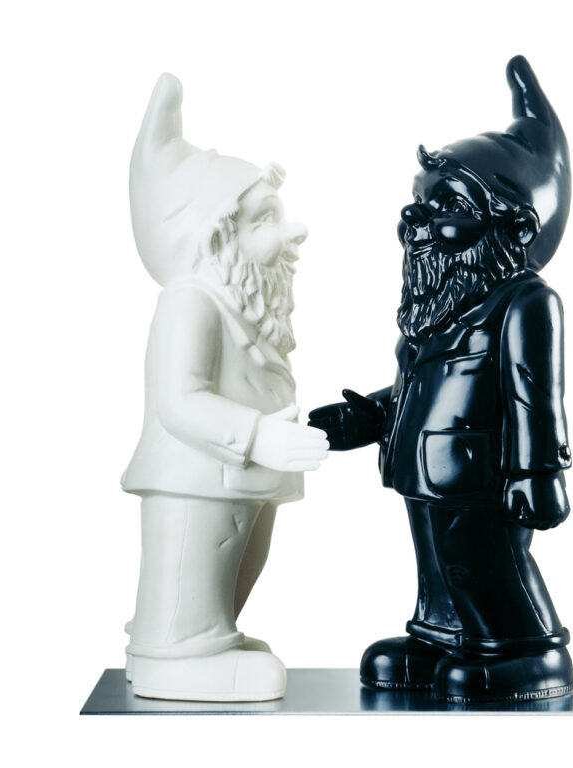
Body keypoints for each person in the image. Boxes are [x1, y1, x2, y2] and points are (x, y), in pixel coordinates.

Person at [309, 56, 573, 703]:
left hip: (483, 474)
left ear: (513, 226)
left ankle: (525, 648)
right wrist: (368, 418)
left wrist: (538, 475)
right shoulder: (434, 310)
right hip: (425, 468)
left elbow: (535, 397)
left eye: (448, 205)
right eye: (420, 202)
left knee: (484, 562)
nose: (419, 220)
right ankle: (444, 633)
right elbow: (412, 390)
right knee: (436, 565)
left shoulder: (525, 302)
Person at [121, 73, 328, 702]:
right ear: (217, 237)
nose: (293, 233)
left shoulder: (241, 305)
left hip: (242, 480)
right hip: (196, 480)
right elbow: (177, 400)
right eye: (266, 219)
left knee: (235, 568)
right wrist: (258, 435)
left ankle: (211, 638)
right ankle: (171, 654)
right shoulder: (190, 301)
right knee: (192, 568)